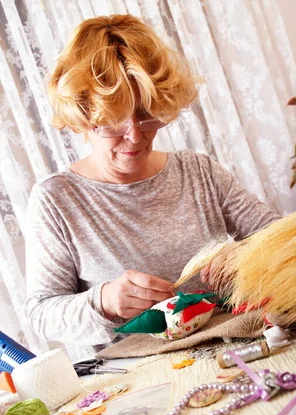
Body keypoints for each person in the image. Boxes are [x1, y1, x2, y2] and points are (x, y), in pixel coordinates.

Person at [26, 14, 280, 354]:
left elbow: (282, 237)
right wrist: (104, 301)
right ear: (84, 116)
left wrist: (249, 256)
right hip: (136, 375)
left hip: (234, 345)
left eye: (147, 114)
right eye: (113, 121)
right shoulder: (57, 200)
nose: (134, 136)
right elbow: (41, 314)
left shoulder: (199, 172)